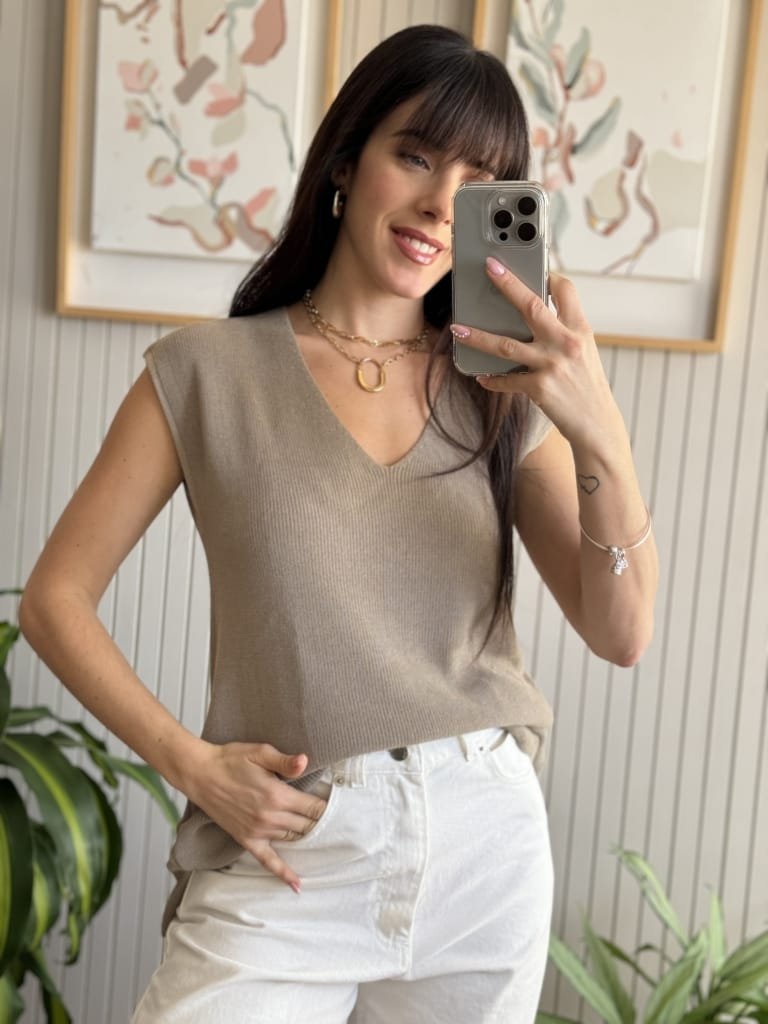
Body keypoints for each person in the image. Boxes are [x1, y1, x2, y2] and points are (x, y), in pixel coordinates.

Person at [20, 23, 658, 1024]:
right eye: (418, 155)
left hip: (484, 842)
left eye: (478, 181)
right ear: (347, 161)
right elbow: (56, 600)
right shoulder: (205, 374)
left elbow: (622, 633)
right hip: (293, 840)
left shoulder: (501, 391)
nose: (441, 205)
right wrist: (191, 762)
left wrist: (600, 431)